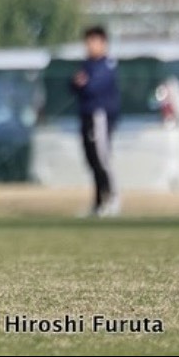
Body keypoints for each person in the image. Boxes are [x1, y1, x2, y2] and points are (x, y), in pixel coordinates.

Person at [72, 26, 120, 218]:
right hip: (86, 115)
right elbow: (74, 84)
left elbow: (92, 86)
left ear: (103, 43)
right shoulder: (87, 65)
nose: (89, 46)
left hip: (99, 116)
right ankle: (99, 203)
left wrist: (84, 83)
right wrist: (79, 82)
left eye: (93, 41)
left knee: (101, 159)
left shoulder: (106, 65)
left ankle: (112, 199)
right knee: (92, 160)